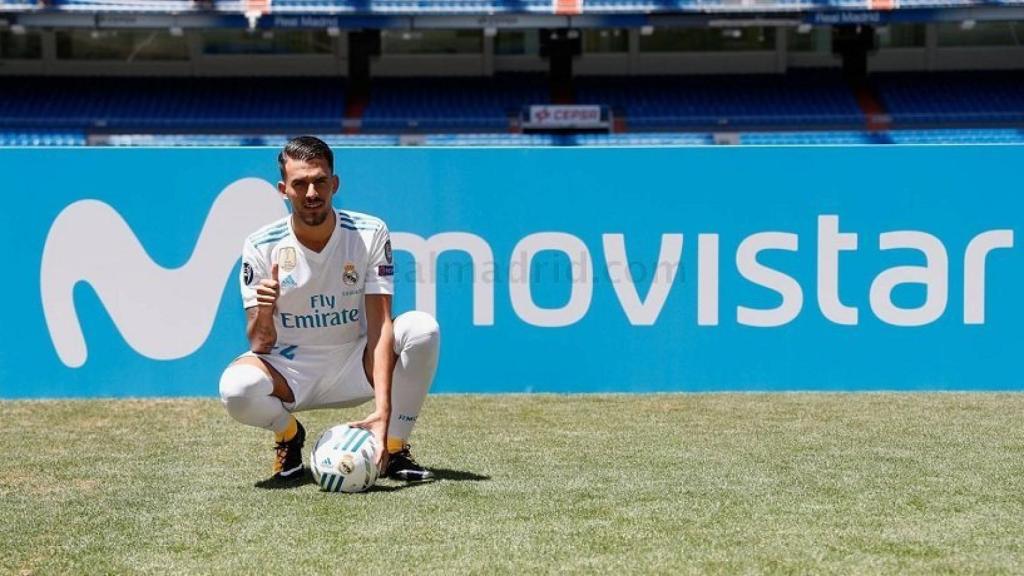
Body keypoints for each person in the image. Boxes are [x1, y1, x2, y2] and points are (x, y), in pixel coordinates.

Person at [218, 135, 439, 482]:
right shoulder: (260, 245)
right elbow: (260, 344)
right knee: (236, 388)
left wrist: (383, 410)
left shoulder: (369, 232)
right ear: (283, 190)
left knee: (422, 329)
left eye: (320, 181)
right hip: (291, 370)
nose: (311, 193)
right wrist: (265, 308)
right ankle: (289, 434)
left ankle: (394, 448)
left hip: (354, 363)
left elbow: (380, 325)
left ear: (334, 184)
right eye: (300, 184)